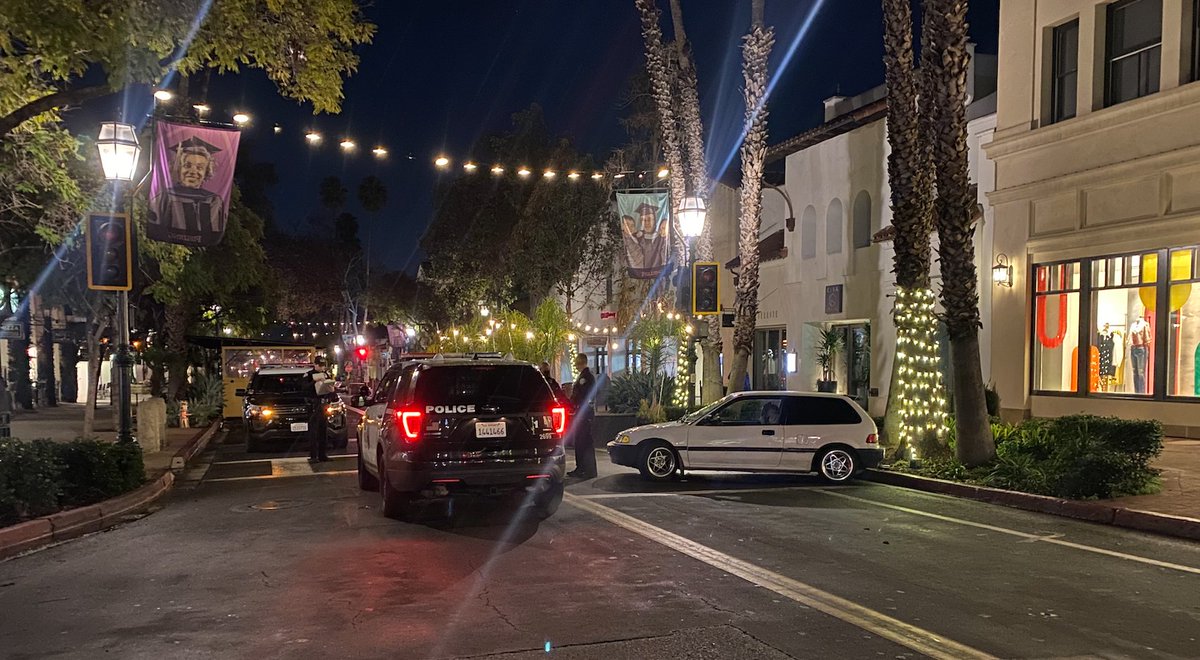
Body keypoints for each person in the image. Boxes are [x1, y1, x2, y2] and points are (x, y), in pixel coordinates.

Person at [148, 135, 226, 245]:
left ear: (206, 172)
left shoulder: (214, 201)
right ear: (179, 168)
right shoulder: (163, 198)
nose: (193, 171)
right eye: (187, 165)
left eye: (199, 168)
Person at [567, 353, 597, 479]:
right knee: (582, 442)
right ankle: (583, 468)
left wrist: (571, 403)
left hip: (583, 413)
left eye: (577, 363)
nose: (576, 366)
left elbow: (581, 395)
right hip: (583, 413)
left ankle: (585, 469)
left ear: (580, 362)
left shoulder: (585, 377)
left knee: (582, 442)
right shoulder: (585, 376)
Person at [307, 370, 333, 462]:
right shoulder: (309, 374)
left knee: (323, 431)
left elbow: (330, 388)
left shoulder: (325, 374)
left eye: (323, 365)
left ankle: (323, 455)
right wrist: (314, 381)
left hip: (323, 404)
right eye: (320, 365)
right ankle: (313, 456)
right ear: (315, 364)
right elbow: (305, 388)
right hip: (314, 405)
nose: (322, 367)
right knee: (314, 432)